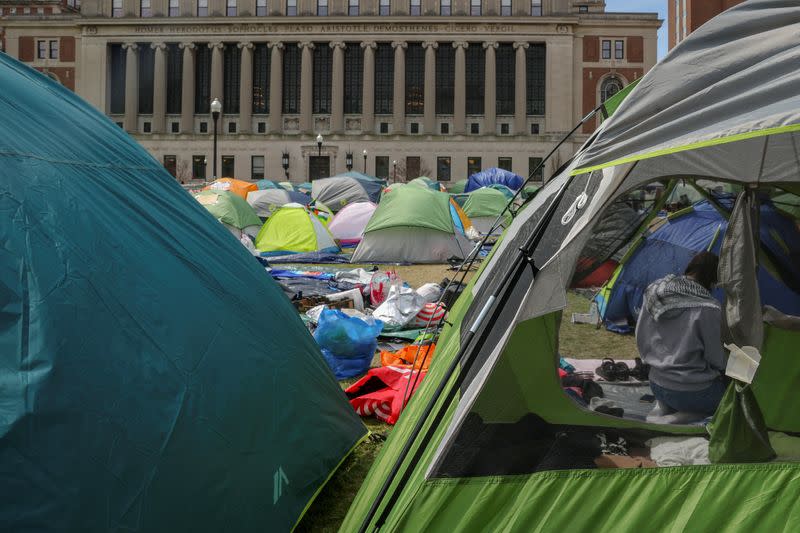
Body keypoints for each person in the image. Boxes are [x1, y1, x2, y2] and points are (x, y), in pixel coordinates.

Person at [635, 252, 727, 416]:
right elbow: (716, 358)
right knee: (736, 395)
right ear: (713, 279)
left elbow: (640, 335)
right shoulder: (709, 307)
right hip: (692, 392)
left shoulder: (654, 290)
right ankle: (687, 416)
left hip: (656, 383)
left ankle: (672, 410)